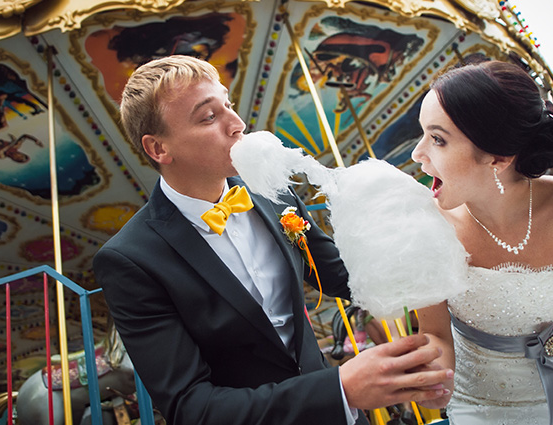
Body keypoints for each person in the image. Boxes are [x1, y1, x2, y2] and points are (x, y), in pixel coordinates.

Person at [93, 55, 454, 425]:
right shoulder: (130, 259)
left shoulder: (270, 192)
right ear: (158, 149)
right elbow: (192, 408)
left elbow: (342, 276)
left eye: (228, 106)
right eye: (208, 117)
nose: (237, 124)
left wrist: (419, 239)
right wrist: (340, 389)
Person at [411, 60, 553, 424]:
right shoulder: (426, 225)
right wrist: (430, 376)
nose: (417, 154)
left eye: (437, 139)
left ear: (497, 158)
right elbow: (435, 334)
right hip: (477, 407)